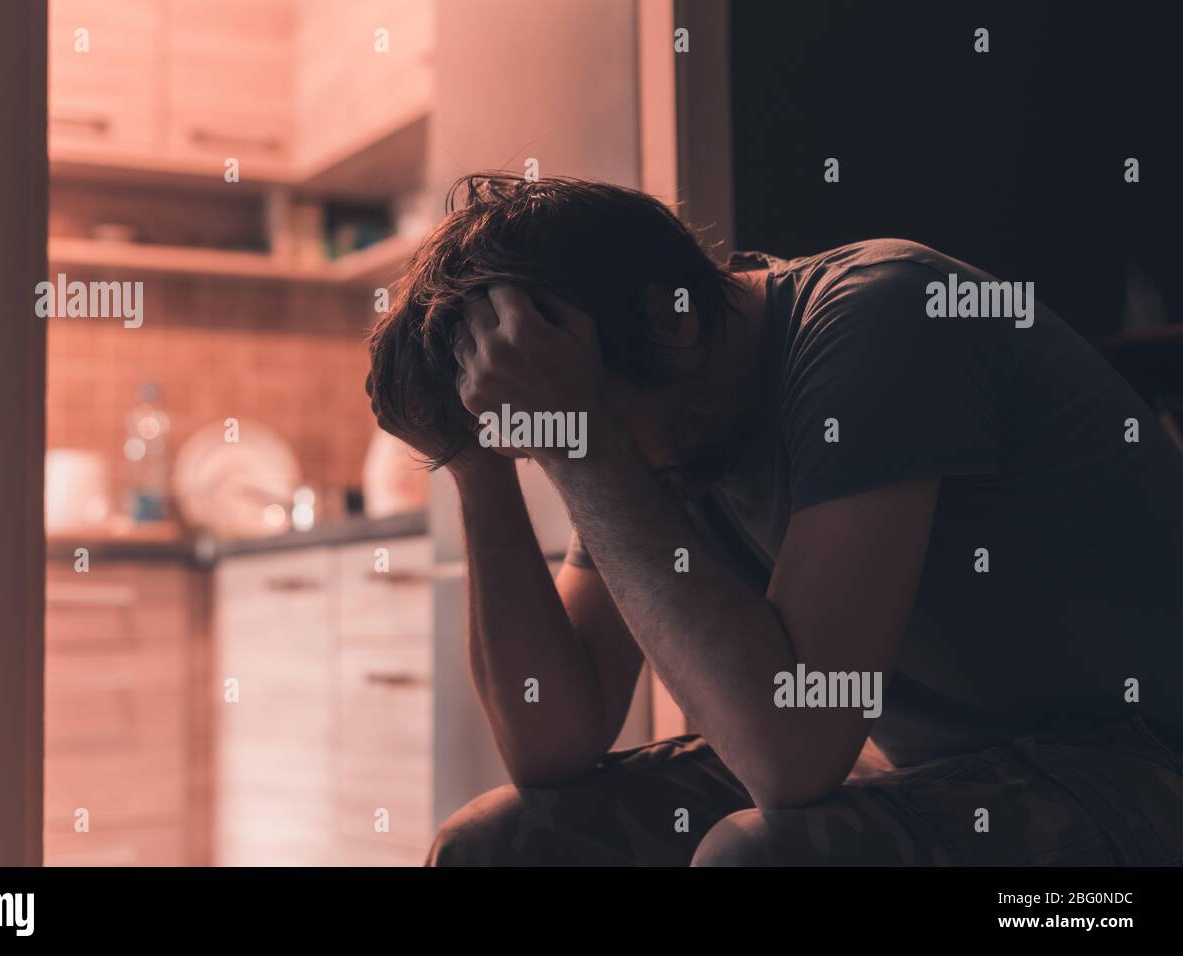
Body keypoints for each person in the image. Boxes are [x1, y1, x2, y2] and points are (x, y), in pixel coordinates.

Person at [367, 174, 1183, 866]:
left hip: (1144, 770)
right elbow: (554, 740)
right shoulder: (658, 419)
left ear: (672, 319)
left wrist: (583, 448)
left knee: (760, 858)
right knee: (504, 843)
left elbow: (790, 753)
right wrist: (474, 467)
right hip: (924, 762)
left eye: (573, 420)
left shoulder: (885, 314)